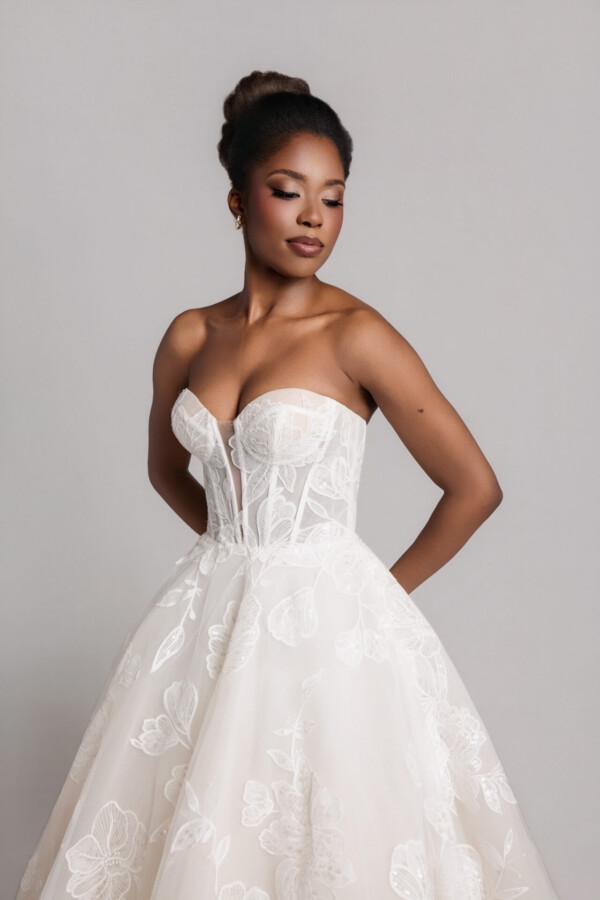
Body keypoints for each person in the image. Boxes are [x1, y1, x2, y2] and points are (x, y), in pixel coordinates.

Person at [15, 69, 560, 899]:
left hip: (332, 629)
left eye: (334, 198)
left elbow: (473, 486)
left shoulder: (356, 334)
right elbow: (165, 466)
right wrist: (232, 546)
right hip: (206, 613)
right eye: (288, 191)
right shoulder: (190, 335)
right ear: (239, 200)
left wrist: (373, 593)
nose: (314, 217)